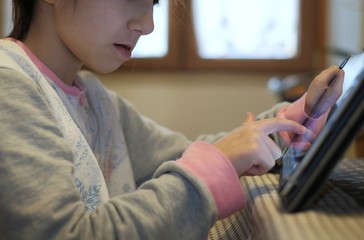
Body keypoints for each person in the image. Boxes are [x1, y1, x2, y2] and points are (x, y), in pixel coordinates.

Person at [0, 0, 344, 239]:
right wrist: (218, 161)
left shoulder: (94, 97)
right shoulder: (8, 86)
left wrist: (293, 119)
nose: (147, 25)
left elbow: (184, 154)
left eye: (154, 2)